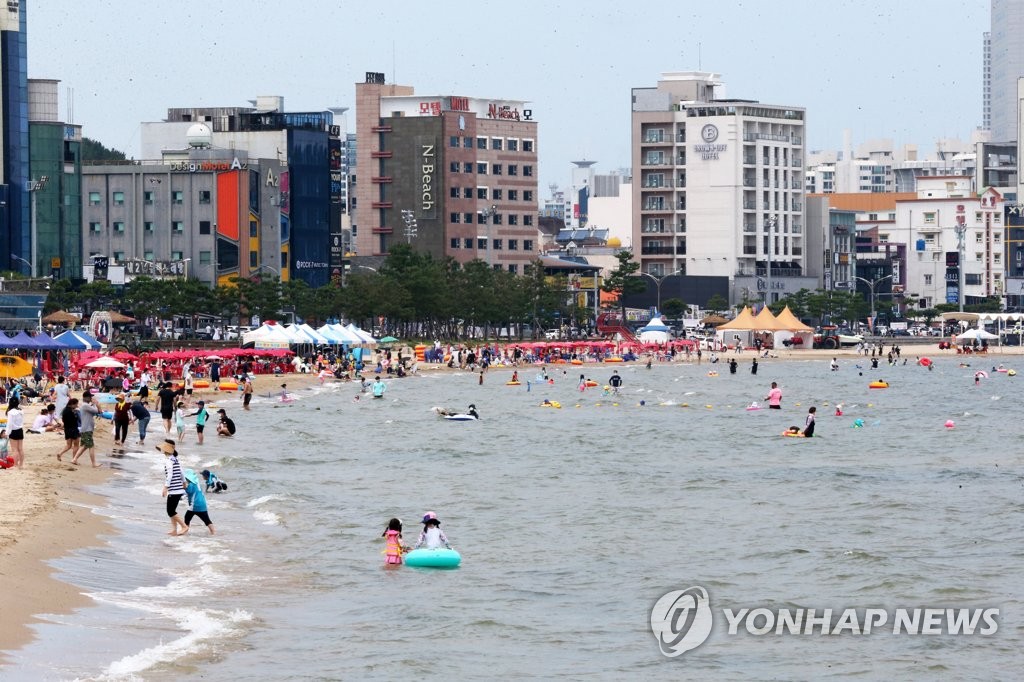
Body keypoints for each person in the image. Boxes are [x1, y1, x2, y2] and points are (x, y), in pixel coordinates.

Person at [160, 440, 188, 536]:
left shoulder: (168, 461)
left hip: (174, 490)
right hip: (178, 489)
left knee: (170, 511)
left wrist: (165, 487)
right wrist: (184, 482)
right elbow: (181, 472)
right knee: (172, 511)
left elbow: (170, 475)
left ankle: (184, 526)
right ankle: (174, 530)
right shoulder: (175, 459)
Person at [180, 468, 215, 535]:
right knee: (207, 520)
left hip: (195, 505)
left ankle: (184, 531)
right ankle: (213, 532)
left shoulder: (191, 485)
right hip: (203, 504)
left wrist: (183, 487)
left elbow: (188, 492)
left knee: (187, 517)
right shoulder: (197, 483)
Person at [75, 392, 101, 467]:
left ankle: (74, 459)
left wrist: (94, 405)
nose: (91, 399)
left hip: (86, 428)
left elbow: (95, 412)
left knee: (84, 446)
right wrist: (95, 404)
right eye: (90, 397)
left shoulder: (85, 406)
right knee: (91, 446)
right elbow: (96, 411)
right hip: (87, 429)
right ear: (86, 397)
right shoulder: (85, 405)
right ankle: (94, 463)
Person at [56, 398, 81, 462]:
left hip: (67, 429)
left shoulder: (65, 410)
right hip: (73, 429)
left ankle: (60, 453)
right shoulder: (71, 411)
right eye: (76, 404)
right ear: (72, 404)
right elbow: (75, 420)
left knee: (69, 445)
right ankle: (74, 459)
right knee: (76, 445)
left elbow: (63, 420)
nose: (76, 406)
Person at [4, 397, 25, 467]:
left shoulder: (10, 412)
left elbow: (9, 424)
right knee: (20, 449)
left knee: (14, 449)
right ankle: (21, 464)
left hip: (13, 431)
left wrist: (7, 433)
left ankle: (15, 464)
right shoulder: (21, 411)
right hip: (20, 430)